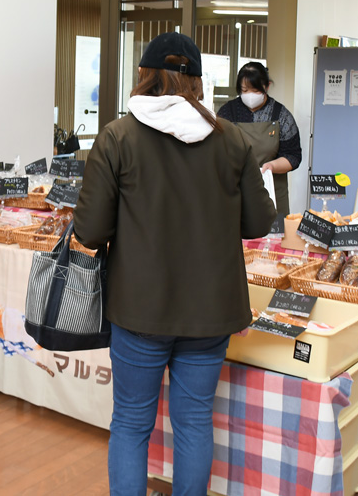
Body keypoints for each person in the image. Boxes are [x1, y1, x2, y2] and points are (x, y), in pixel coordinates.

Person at [73, 32, 276, 496]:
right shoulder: (232, 140)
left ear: (144, 76)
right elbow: (259, 220)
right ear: (197, 82)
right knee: (193, 423)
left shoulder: (118, 136)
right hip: (211, 310)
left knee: (129, 422)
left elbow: (90, 231)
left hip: (139, 308)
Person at [216, 61, 302, 215]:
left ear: (267, 86)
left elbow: (293, 156)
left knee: (272, 237)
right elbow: (216, 151)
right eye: (244, 90)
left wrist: (272, 166)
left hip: (272, 193)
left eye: (255, 90)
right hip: (235, 190)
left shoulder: (281, 115)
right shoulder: (226, 113)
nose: (249, 95)